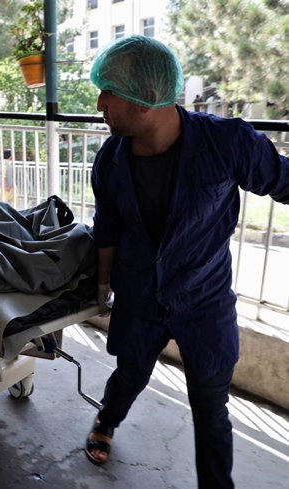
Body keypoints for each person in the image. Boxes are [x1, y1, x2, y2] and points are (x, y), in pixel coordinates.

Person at [86, 35, 289, 488]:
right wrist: (102, 289)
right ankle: (106, 420)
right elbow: (108, 227)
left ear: (147, 100)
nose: (99, 103)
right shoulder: (111, 159)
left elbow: (283, 180)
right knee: (131, 373)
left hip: (203, 298)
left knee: (210, 404)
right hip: (139, 293)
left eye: (108, 92)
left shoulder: (226, 143)